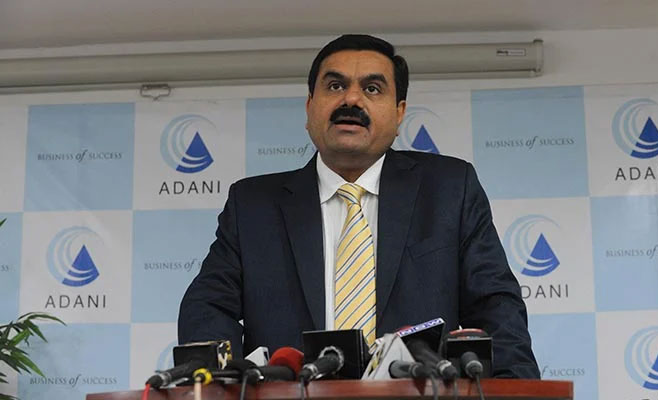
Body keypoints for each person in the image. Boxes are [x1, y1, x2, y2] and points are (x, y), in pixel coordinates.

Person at [179, 34, 540, 379]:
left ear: (399, 114)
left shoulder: (449, 190)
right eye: (335, 86)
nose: (351, 99)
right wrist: (223, 384)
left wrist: (516, 388)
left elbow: (495, 306)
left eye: (372, 88)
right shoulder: (253, 206)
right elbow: (208, 307)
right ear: (309, 108)